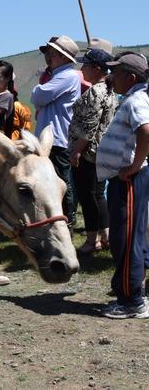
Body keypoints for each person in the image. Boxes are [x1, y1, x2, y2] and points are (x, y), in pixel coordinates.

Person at [95, 52, 149, 319]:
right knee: (126, 237)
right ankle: (128, 292)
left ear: (131, 77)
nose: (110, 77)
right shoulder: (132, 98)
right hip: (124, 177)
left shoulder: (137, 99)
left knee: (125, 239)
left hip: (128, 178)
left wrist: (136, 165)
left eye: (116, 73)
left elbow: (146, 131)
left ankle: (131, 301)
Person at [69, 44, 117, 254]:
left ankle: (91, 240)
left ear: (97, 68)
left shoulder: (96, 92)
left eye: (86, 65)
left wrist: (77, 151)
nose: (83, 69)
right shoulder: (110, 90)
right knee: (98, 194)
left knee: (88, 196)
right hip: (102, 150)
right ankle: (105, 236)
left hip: (89, 152)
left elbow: (89, 126)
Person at [31, 35, 82, 225]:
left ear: (64, 57)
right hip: (53, 137)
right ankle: (60, 219)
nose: (49, 56)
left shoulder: (66, 76)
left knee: (61, 182)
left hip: (56, 139)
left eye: (53, 53)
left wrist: (37, 88)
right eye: (49, 52)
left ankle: (66, 220)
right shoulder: (61, 76)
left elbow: (39, 96)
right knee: (56, 181)